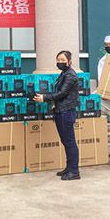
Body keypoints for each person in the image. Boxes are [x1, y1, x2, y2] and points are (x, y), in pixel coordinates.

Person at [33, 51, 81, 180]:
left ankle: (74, 171)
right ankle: (69, 168)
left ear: (69, 61)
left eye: (63, 60)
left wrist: (44, 98)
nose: (60, 62)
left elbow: (62, 93)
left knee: (69, 142)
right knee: (65, 141)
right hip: (61, 110)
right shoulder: (64, 73)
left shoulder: (70, 75)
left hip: (66, 112)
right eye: (58, 60)